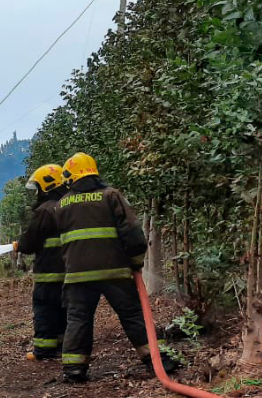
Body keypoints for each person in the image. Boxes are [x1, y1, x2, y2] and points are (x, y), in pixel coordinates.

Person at [54, 152, 179, 382]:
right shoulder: (111, 195)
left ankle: (74, 369)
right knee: (132, 314)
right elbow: (132, 233)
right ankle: (159, 360)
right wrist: (135, 261)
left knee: (78, 319)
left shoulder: (61, 205)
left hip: (77, 275)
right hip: (115, 271)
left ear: (70, 177)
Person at [12, 164, 67, 361]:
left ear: (47, 186)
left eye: (37, 188)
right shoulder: (68, 205)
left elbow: (31, 241)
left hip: (49, 272)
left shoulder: (45, 210)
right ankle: (61, 345)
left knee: (44, 309)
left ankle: (43, 350)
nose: (36, 193)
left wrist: (20, 245)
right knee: (63, 310)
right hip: (69, 272)